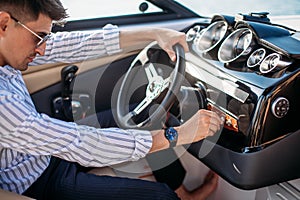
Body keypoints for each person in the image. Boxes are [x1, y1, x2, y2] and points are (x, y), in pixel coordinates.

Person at [0, 0, 223, 199]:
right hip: (36, 182)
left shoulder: (9, 54)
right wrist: (177, 135)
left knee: (145, 114)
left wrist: (154, 33)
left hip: (45, 151)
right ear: (3, 24)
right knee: (161, 196)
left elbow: (74, 43)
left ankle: (182, 194)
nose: (43, 48)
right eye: (39, 37)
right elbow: (80, 143)